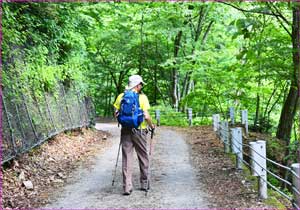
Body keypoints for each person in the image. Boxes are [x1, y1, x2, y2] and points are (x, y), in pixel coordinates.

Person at [113, 74, 155, 196]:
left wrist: (123, 121)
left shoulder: (121, 96)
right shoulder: (143, 98)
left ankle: (127, 187)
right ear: (137, 85)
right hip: (139, 130)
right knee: (143, 156)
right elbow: (146, 116)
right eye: (141, 84)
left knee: (127, 158)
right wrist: (151, 126)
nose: (141, 86)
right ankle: (144, 183)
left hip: (125, 130)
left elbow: (116, 113)